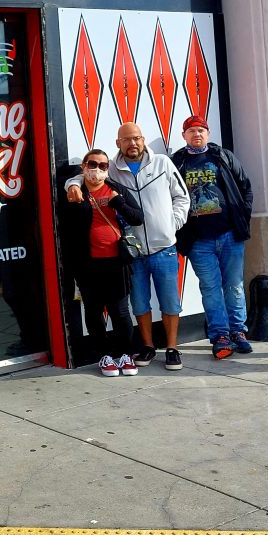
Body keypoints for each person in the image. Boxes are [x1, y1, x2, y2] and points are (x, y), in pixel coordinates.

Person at [67, 122, 189, 370]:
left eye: (136, 138)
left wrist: (171, 224)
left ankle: (173, 348)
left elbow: (181, 196)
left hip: (162, 246)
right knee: (139, 304)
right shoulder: (113, 169)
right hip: (132, 253)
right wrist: (72, 183)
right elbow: (85, 175)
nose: (132, 143)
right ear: (118, 143)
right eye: (126, 139)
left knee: (169, 301)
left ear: (143, 140)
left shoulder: (162, 163)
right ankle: (146, 347)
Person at [171, 116, 254, 359]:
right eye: (191, 131)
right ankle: (220, 336)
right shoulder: (177, 162)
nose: (197, 134)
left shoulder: (223, 157)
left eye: (201, 130)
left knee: (234, 286)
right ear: (183, 135)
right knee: (210, 287)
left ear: (207, 134)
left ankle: (238, 332)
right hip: (199, 240)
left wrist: (242, 218)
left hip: (229, 235)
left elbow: (245, 187)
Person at [63, 149, 144, 376]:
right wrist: (75, 193)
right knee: (94, 311)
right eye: (92, 164)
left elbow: (138, 217)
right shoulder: (74, 192)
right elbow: (67, 227)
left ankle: (125, 354)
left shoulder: (116, 189)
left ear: (108, 169)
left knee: (120, 312)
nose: (97, 169)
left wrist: (118, 204)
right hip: (87, 265)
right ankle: (104, 356)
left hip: (117, 263)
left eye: (103, 165)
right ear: (83, 166)